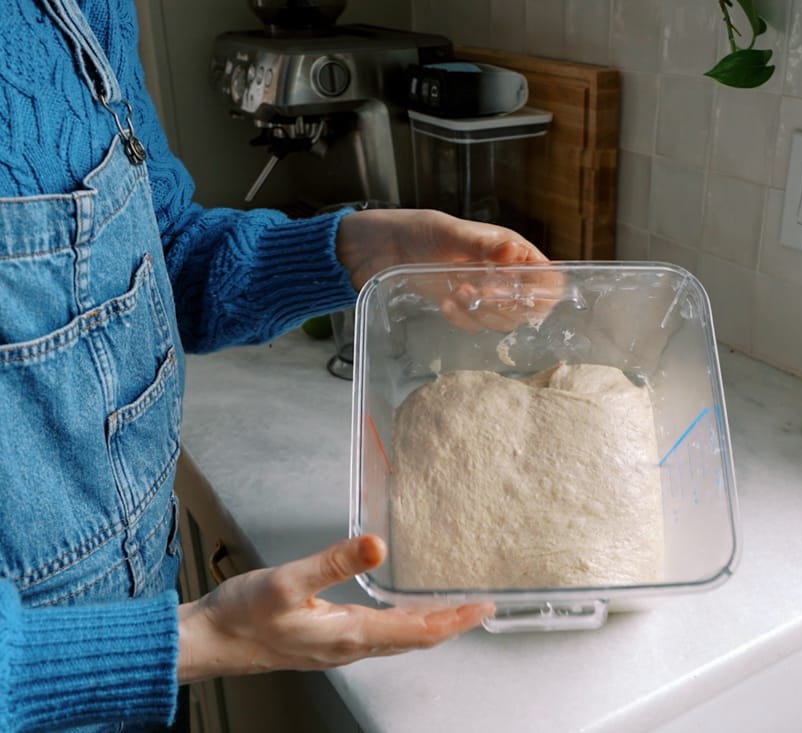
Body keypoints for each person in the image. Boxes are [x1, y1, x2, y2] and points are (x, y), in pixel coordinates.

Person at [0, 1, 549, 731]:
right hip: (94, 676)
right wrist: (198, 641)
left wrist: (365, 250)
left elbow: (156, 254)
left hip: (146, 638)